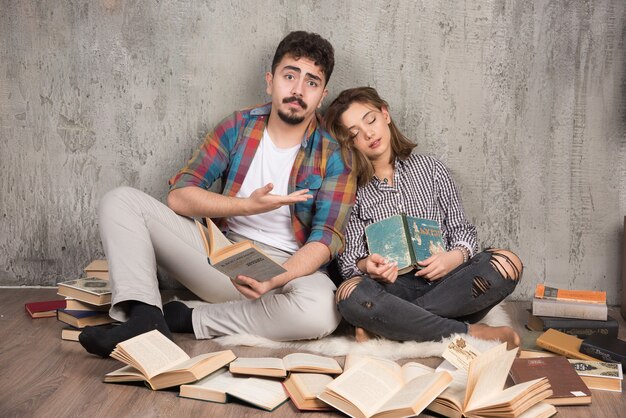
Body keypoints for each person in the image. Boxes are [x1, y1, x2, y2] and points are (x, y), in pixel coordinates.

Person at [79, 31, 356, 357]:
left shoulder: (335, 153)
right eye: (289, 75)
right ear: (270, 81)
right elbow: (179, 196)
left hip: (288, 273)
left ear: (321, 95)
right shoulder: (237, 126)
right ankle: (143, 317)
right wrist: (246, 206)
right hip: (223, 259)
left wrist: (274, 280)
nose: (297, 89)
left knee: (321, 311)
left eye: (311, 82)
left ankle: (188, 317)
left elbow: (326, 240)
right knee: (120, 201)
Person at [324, 87, 522, 347]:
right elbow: (349, 264)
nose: (368, 134)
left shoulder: (432, 169)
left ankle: (391, 326)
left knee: (507, 263)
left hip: (448, 285)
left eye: (370, 120)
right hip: (392, 289)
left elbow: (463, 231)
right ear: (349, 143)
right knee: (349, 294)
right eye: (354, 134)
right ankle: (470, 333)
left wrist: (453, 257)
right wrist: (368, 266)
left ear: (385, 114)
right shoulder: (351, 190)